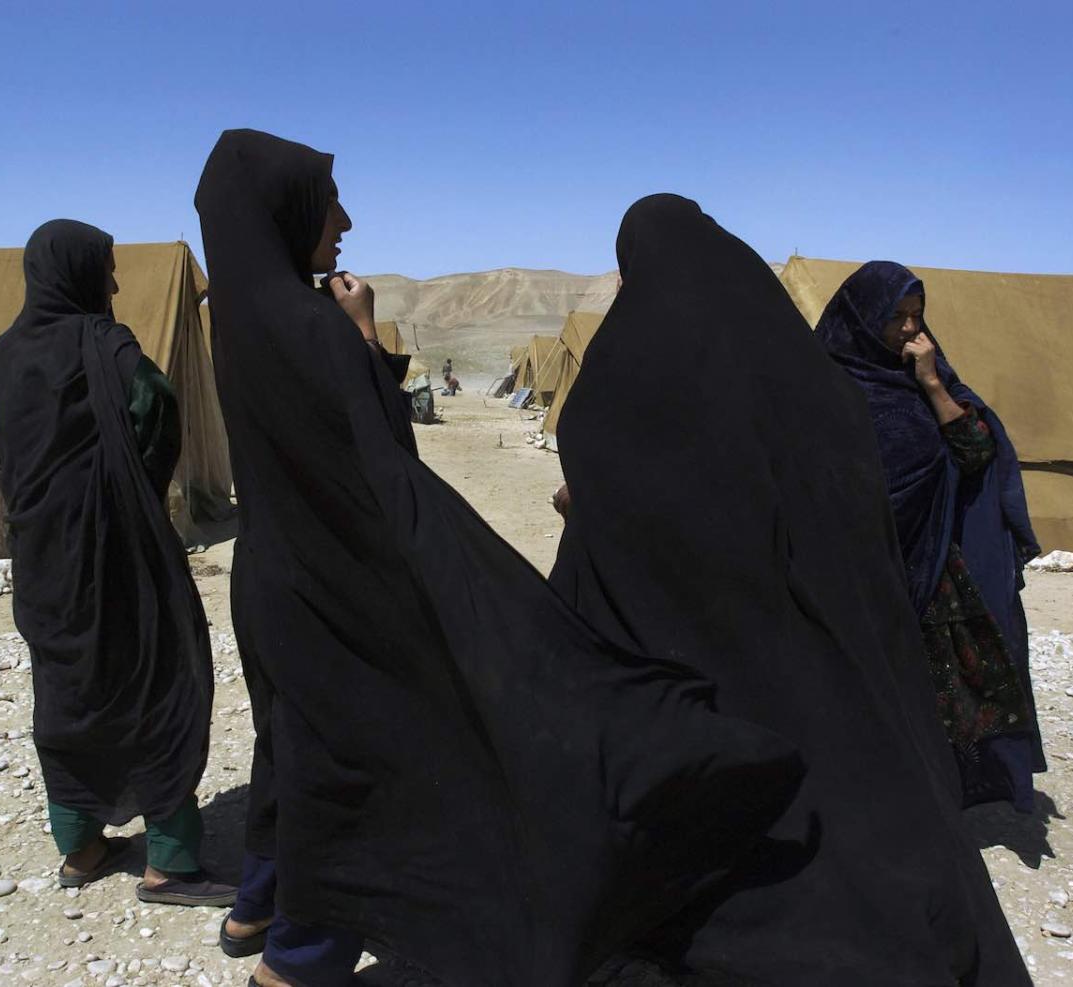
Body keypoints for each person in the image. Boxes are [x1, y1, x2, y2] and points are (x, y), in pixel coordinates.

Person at [195, 130, 804, 987]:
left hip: (273, 578)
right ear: (285, 209)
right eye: (327, 201)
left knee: (293, 739)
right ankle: (298, 959)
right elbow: (381, 457)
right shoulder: (311, 325)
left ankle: (255, 904)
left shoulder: (242, 313)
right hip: (345, 579)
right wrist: (366, 339)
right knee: (365, 757)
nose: (345, 219)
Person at [549, 195, 1031, 985]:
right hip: (813, 663)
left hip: (680, 680)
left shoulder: (626, 369)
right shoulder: (814, 382)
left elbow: (616, 491)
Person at [0, 220, 234, 907]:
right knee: (155, 685)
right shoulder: (106, 342)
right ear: (81, 272)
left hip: (41, 558)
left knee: (65, 694)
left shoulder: (5, 352)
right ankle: (171, 862)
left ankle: (82, 844)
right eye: (108, 268)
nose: (116, 282)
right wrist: (141, 486)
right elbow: (157, 403)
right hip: (116, 555)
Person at [815, 261, 1045, 813]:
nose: (909, 330)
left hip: (934, 567)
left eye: (917, 317)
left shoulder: (929, 375)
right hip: (861, 570)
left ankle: (938, 808)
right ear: (865, 317)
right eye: (897, 317)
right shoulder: (824, 382)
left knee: (946, 695)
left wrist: (934, 385)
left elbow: (975, 453)